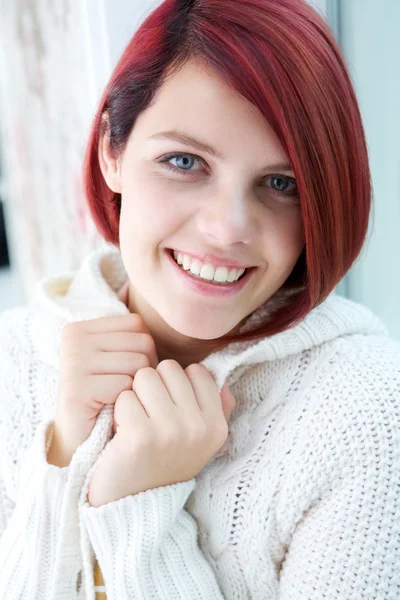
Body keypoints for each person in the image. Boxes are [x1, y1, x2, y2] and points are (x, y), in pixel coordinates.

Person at [0, 0, 399, 598]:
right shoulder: (13, 361)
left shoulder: (367, 414)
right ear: (113, 148)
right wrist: (61, 454)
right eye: (183, 161)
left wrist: (137, 504)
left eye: (281, 183)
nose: (226, 228)